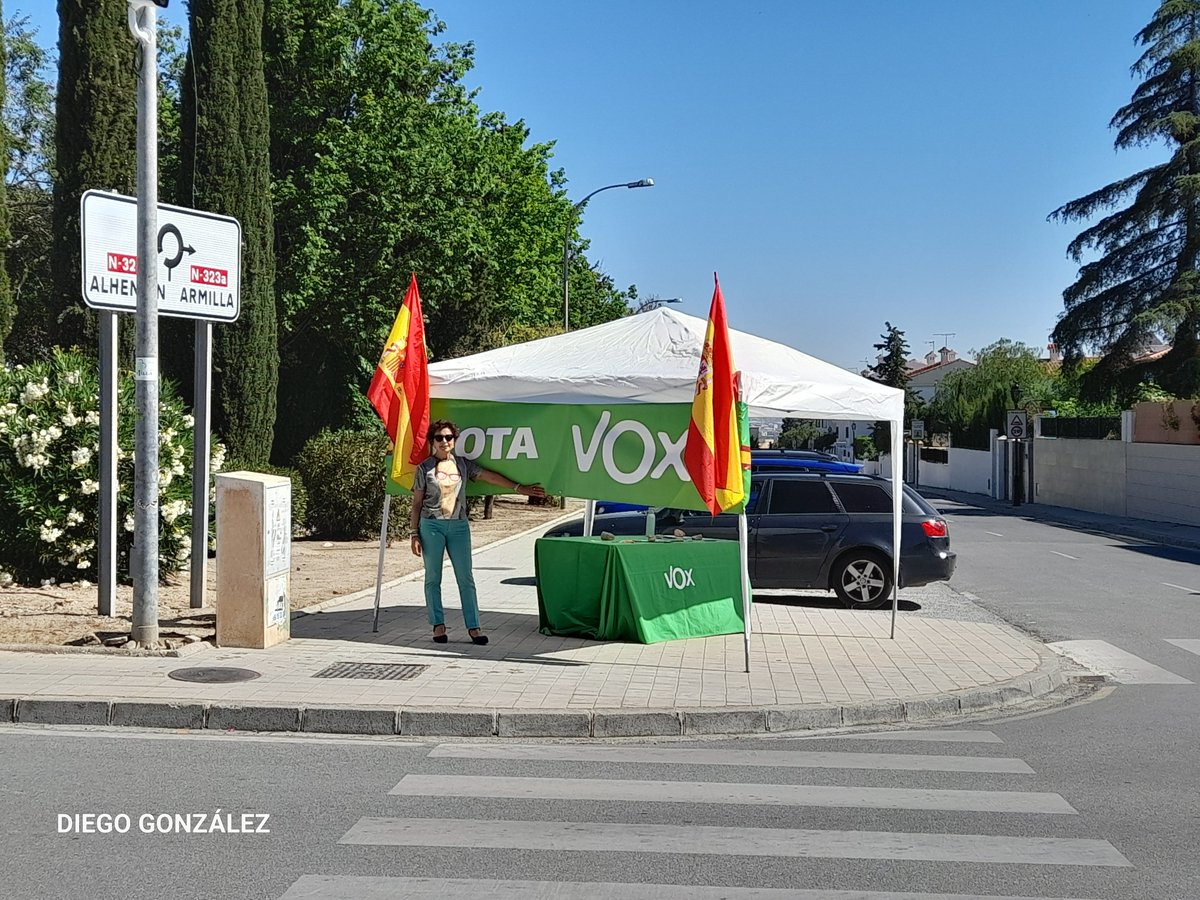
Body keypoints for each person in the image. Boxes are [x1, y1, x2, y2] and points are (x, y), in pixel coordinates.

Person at [409, 419, 546, 645]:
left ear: (454, 440)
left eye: (448, 437)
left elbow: (489, 476)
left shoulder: (463, 464)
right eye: (439, 438)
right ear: (432, 441)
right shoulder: (424, 468)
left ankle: (474, 627)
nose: (444, 442)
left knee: (466, 578)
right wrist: (414, 533)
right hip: (431, 525)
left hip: (459, 526)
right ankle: (438, 625)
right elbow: (416, 503)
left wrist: (519, 488)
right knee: (433, 577)